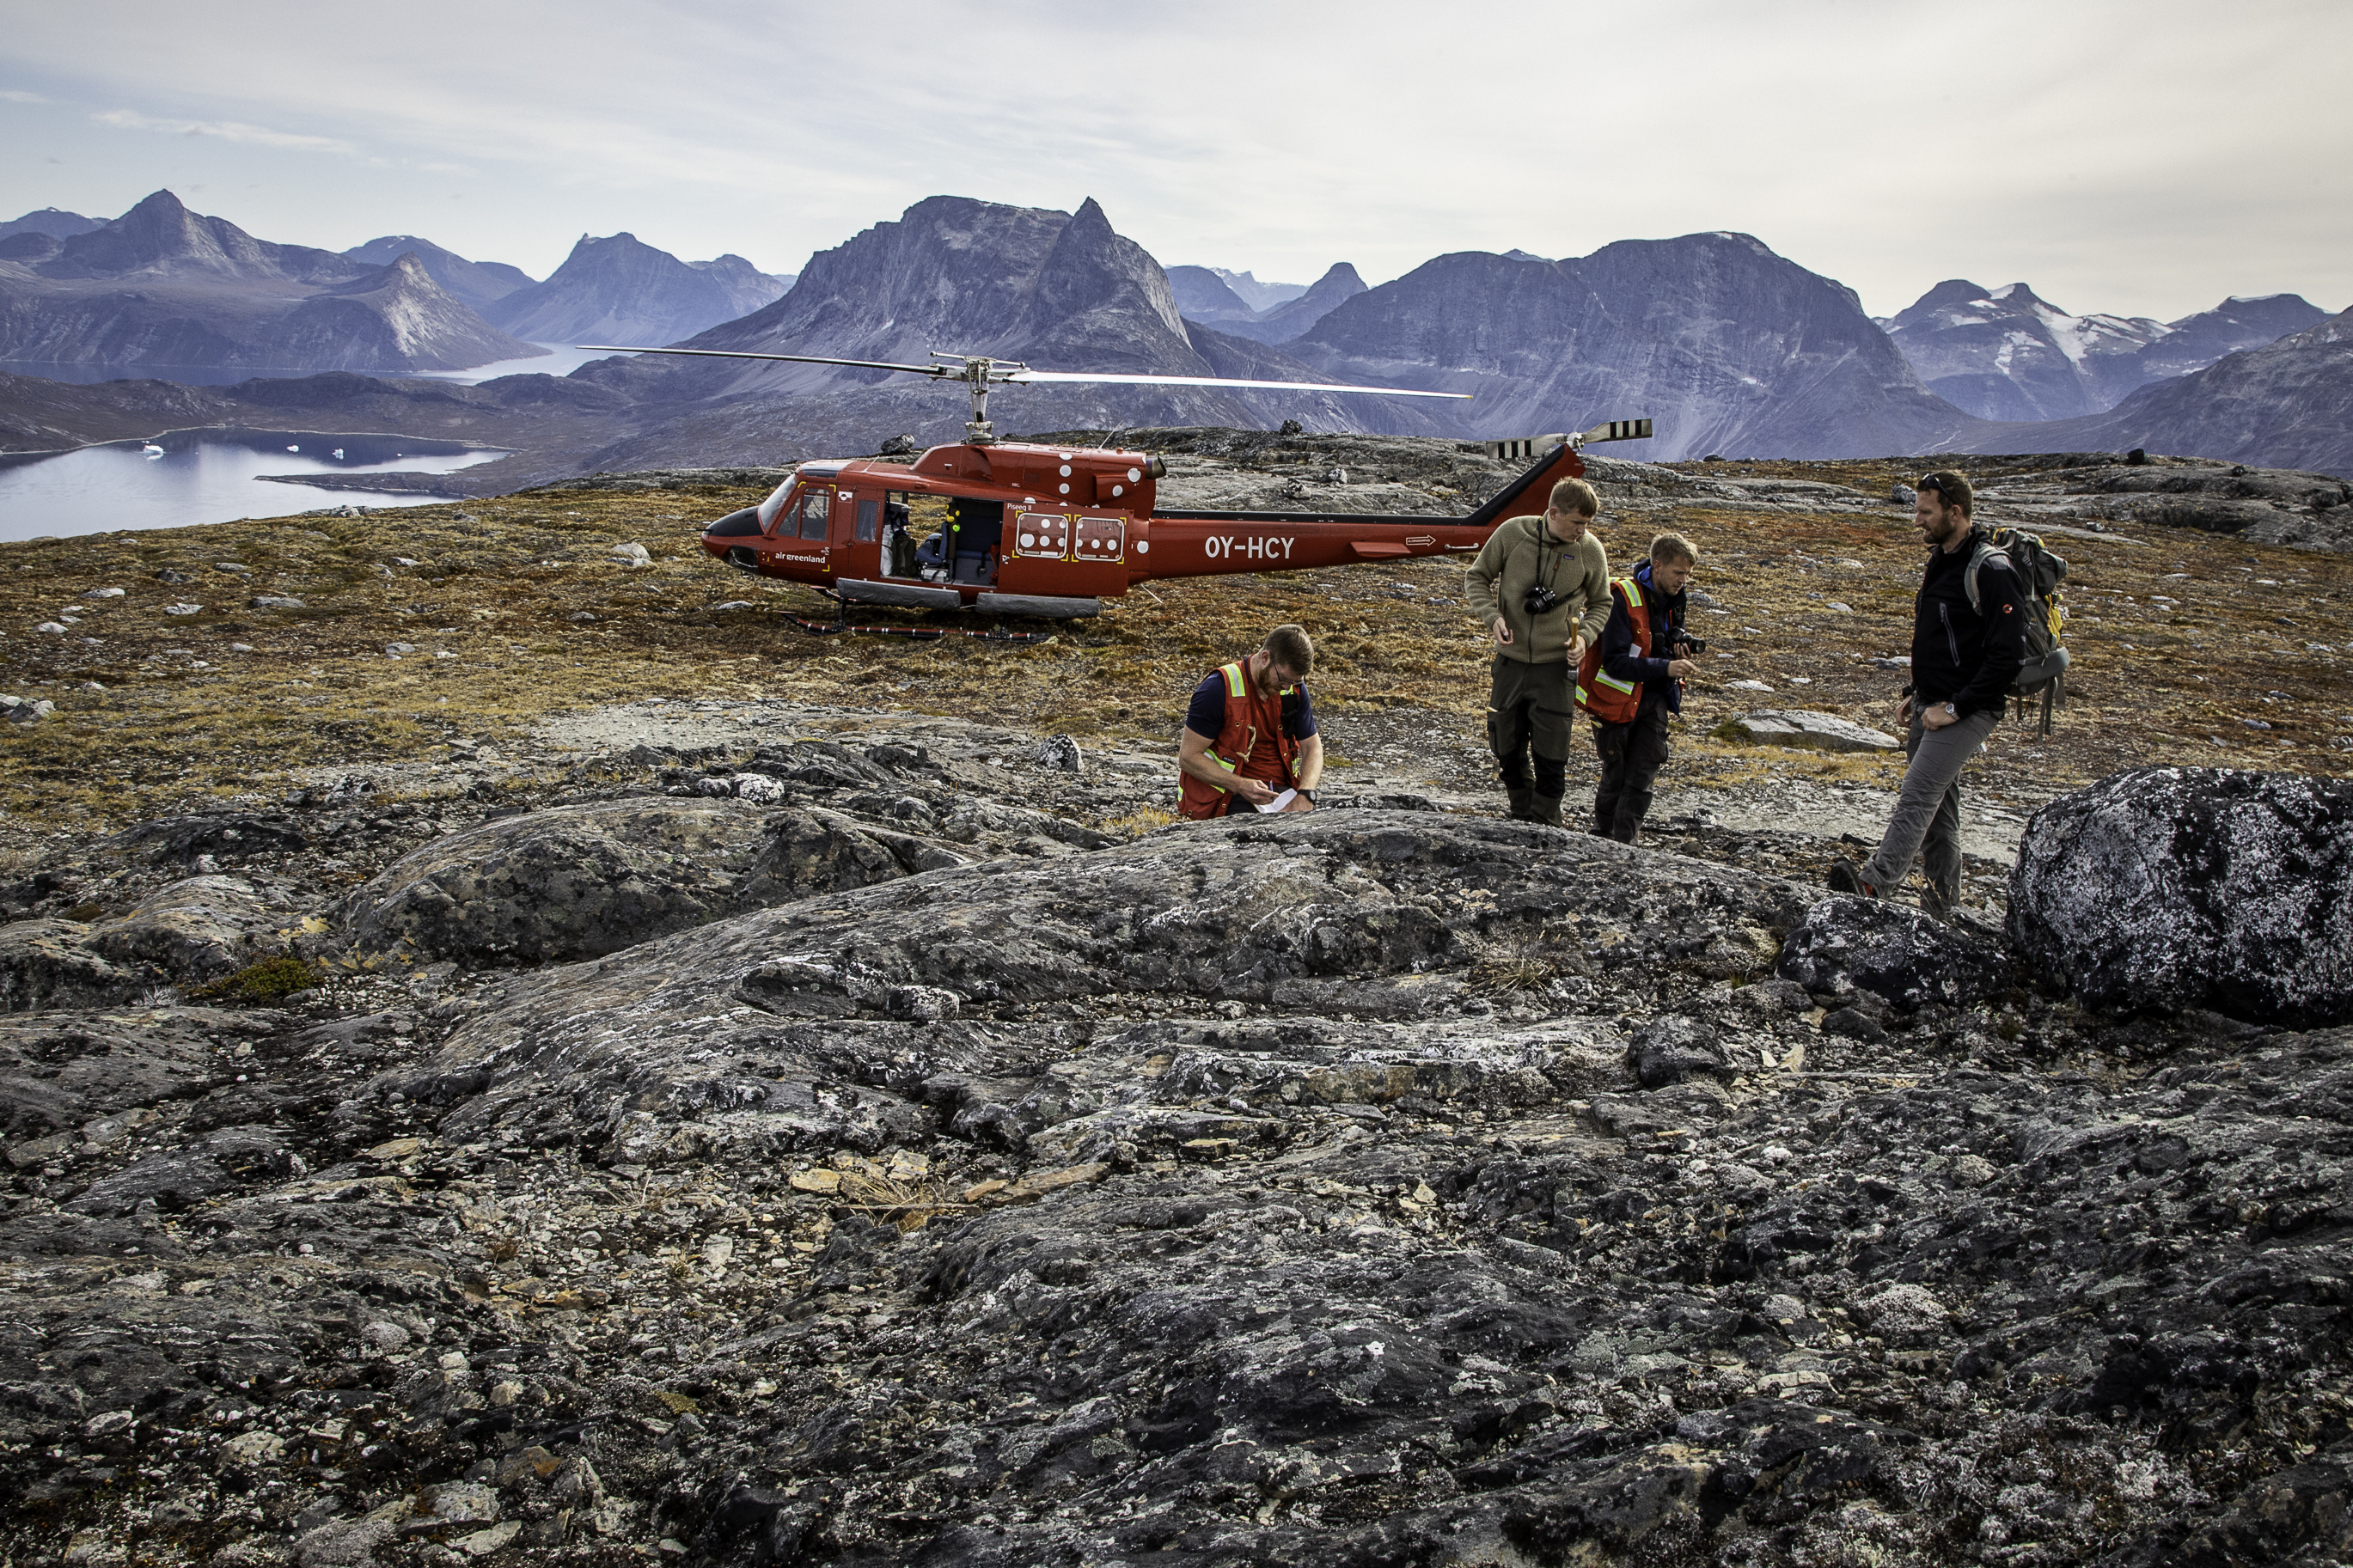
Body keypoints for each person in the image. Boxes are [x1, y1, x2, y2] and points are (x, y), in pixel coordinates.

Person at [1828, 470, 2024, 917]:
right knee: (1939, 816)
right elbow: (1940, 635)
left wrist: (1954, 708)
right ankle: (1942, 908)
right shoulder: (1942, 558)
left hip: (1966, 709)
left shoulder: (1991, 569)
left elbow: (2006, 658)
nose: (1916, 520)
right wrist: (1915, 692)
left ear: (1955, 512)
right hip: (1929, 703)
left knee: (1918, 797)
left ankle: (1873, 888)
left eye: (1924, 511)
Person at [1465, 476, 1612, 825]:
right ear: (1554, 512)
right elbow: (1476, 578)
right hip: (1510, 663)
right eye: (1577, 522)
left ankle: (1546, 821)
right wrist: (1492, 617)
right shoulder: (1512, 534)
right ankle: (1521, 814)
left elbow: (1602, 603)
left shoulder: (1590, 550)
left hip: (1556, 668)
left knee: (1552, 753)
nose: (1583, 530)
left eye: (1588, 524)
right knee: (1506, 745)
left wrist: (1584, 638)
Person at [1577, 533, 1700, 842]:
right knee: (1615, 774)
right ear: (1657, 565)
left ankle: (1626, 844)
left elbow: (1653, 645)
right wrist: (1667, 667)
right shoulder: (1621, 597)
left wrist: (1675, 654)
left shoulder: (1674, 600)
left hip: (1656, 698)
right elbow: (1615, 661)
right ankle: (1603, 838)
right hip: (1616, 702)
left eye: (1687, 574)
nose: (1683, 581)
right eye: (1678, 573)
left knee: (1643, 776)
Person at [1177, 625, 1323, 818]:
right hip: (1229, 794)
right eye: (1283, 679)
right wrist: (1240, 785)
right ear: (1265, 658)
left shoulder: (1293, 690)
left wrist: (1306, 794)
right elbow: (1188, 757)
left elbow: (1313, 747)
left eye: (1295, 682)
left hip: (1283, 793)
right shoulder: (1217, 689)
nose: (1287, 687)